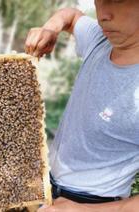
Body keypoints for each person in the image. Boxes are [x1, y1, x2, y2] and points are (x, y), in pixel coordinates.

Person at [25, 0, 139, 211]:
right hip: (46, 188)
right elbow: (72, 16)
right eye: (99, 1)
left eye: (118, 1)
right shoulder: (99, 39)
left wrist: (84, 210)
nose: (102, 14)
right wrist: (52, 28)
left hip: (96, 204)